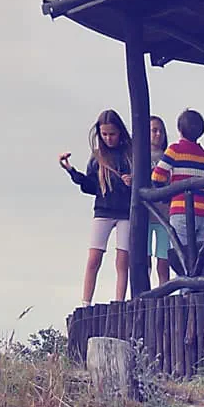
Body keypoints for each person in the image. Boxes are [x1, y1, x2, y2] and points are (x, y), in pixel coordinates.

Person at [59, 109, 134, 304]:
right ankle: (86, 302)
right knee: (94, 257)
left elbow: (143, 182)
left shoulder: (130, 155)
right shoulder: (97, 157)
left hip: (126, 211)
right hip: (103, 210)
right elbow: (91, 186)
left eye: (112, 134)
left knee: (122, 260)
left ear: (120, 133)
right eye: (105, 134)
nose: (109, 138)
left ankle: (119, 301)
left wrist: (132, 182)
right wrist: (72, 172)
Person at [157, 108, 204, 274]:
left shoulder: (174, 150)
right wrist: (202, 195)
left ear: (179, 129)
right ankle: (199, 290)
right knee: (201, 257)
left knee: (182, 256)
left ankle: (186, 290)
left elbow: (157, 177)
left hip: (181, 210)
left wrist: (168, 196)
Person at [144, 117, 173, 289]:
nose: (158, 134)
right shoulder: (137, 157)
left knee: (163, 257)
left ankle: (164, 290)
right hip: (145, 215)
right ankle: (144, 291)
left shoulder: (168, 157)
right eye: (154, 130)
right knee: (144, 256)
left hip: (164, 214)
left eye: (161, 131)